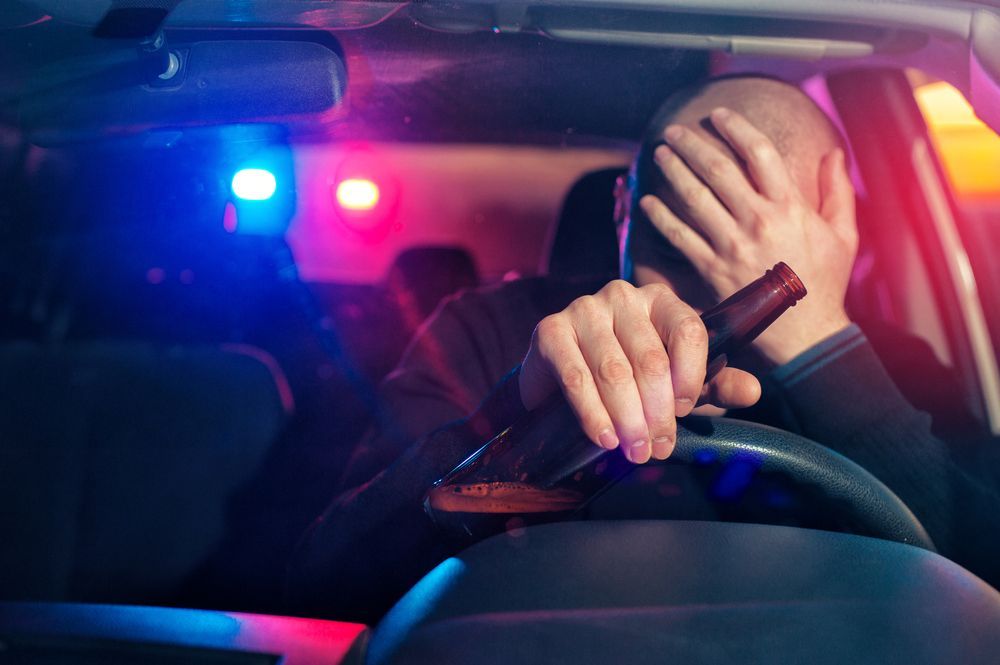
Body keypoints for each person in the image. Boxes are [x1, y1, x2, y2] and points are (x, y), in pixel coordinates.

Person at [286, 75, 1000, 622]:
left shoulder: (882, 367)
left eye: (761, 219)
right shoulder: (492, 331)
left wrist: (816, 344)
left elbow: (981, 590)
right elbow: (328, 583)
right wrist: (524, 414)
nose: (714, 266)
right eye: (688, 218)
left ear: (833, 228)